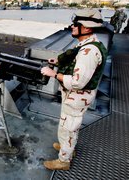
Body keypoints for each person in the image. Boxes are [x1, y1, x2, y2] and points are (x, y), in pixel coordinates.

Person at [41, 9, 107, 171]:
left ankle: (64, 160)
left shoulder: (89, 52)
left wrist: (54, 74)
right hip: (75, 97)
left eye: (75, 24)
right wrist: (58, 62)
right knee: (68, 125)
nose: (71, 27)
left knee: (69, 127)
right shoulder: (88, 43)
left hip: (77, 96)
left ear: (86, 28)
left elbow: (77, 82)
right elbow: (76, 62)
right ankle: (67, 147)